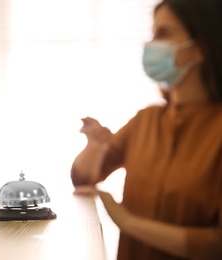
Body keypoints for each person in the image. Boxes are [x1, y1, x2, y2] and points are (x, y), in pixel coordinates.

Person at [70, 0, 222, 259]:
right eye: (152, 34)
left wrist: (127, 222)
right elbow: (84, 180)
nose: (151, 45)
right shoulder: (146, 121)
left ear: (199, 50)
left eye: (163, 33)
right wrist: (95, 148)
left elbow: (215, 245)